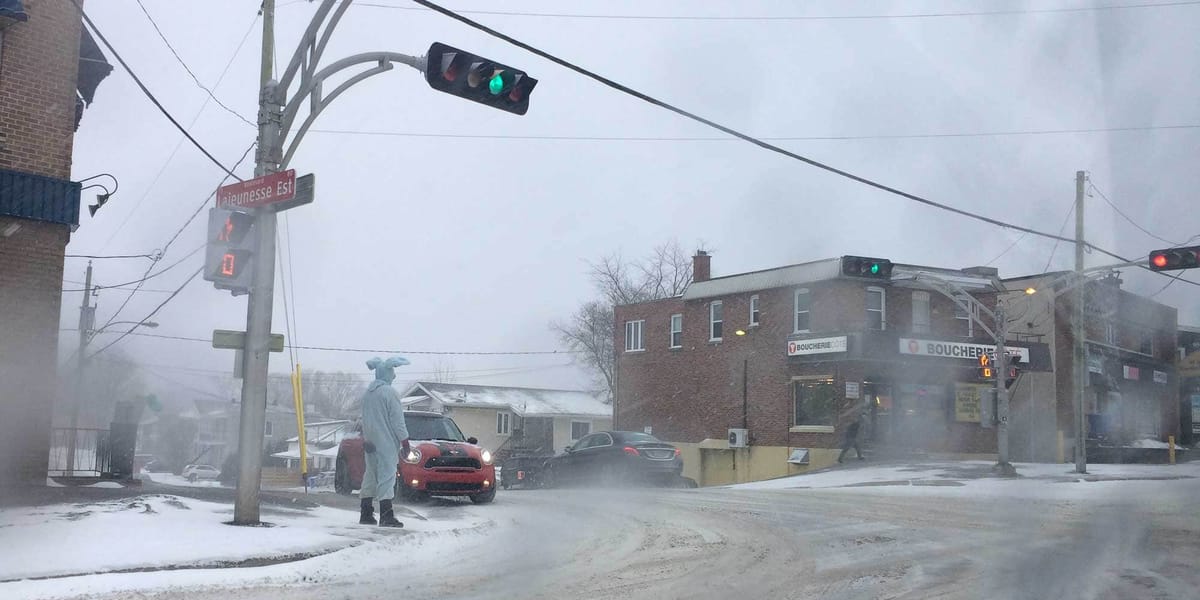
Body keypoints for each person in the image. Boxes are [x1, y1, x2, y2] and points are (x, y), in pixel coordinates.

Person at [358, 356, 411, 527]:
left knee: (370, 475)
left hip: (370, 442)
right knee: (387, 477)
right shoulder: (389, 392)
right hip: (386, 442)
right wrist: (405, 441)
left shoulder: (368, 394)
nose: (394, 376)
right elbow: (397, 421)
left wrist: (365, 438)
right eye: (392, 372)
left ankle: (366, 513)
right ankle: (386, 515)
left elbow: (364, 419)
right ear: (387, 373)